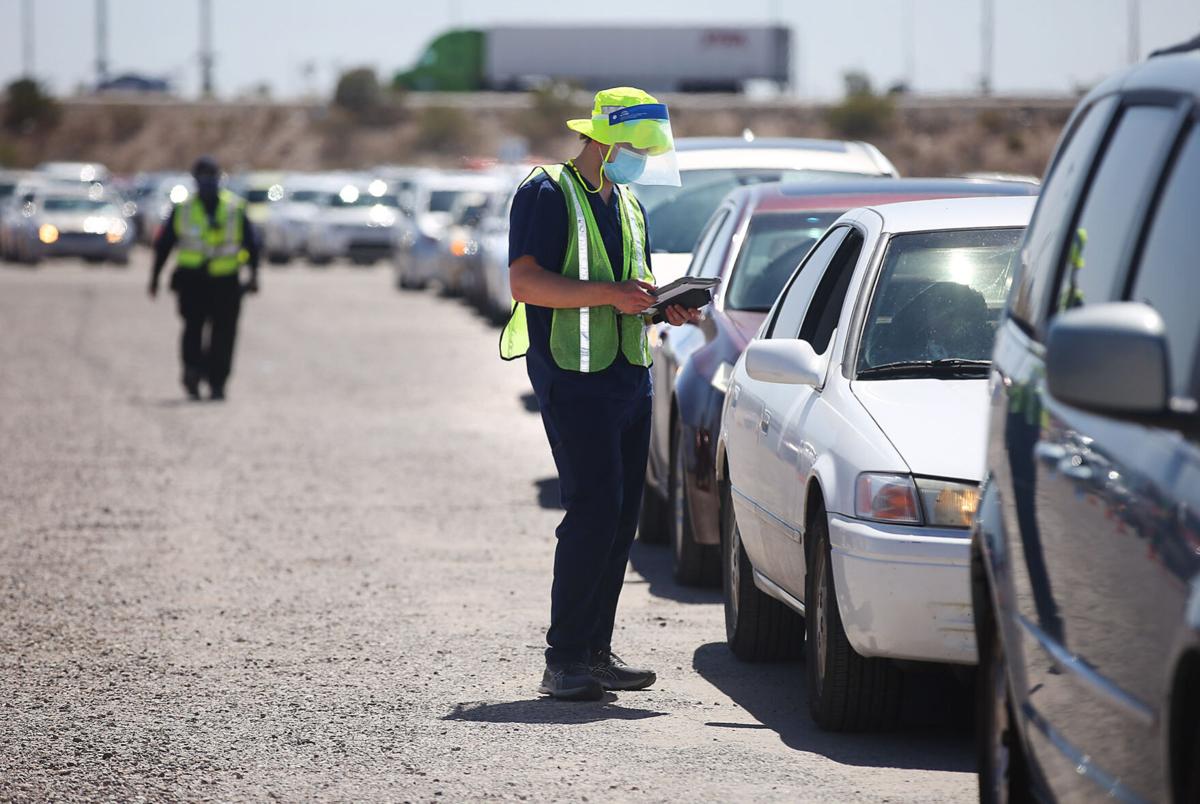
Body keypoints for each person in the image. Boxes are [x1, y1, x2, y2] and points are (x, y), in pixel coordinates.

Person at [500, 87, 700, 701]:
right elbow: (525, 281)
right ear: (607, 141)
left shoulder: (630, 201)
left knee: (620, 519)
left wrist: (662, 306)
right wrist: (612, 295)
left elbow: (626, 288)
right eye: (637, 149)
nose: (642, 161)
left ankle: (594, 651)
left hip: (628, 373)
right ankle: (564, 660)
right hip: (572, 375)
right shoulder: (546, 192)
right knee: (592, 511)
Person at [148, 156, 259, 400]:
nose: (207, 183)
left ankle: (217, 381)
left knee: (223, 335)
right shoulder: (183, 208)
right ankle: (193, 372)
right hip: (192, 281)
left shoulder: (234, 208)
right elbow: (164, 245)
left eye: (211, 178)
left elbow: (252, 244)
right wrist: (154, 277)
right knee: (193, 330)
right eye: (203, 178)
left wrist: (254, 276)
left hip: (225, 282)